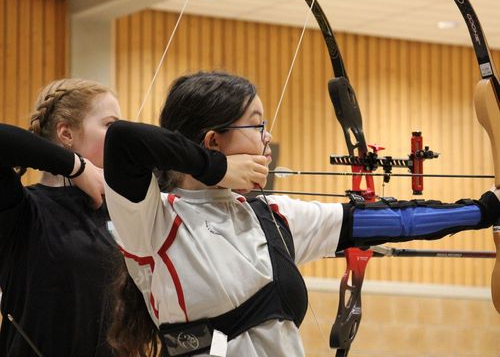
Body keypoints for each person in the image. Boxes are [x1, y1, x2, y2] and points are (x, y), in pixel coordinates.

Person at [103, 71, 500, 357]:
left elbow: (389, 221)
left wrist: (484, 210)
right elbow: (123, 140)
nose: (267, 136)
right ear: (212, 140)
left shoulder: (272, 215)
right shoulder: (155, 222)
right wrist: (217, 168)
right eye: (257, 125)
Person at [0, 78, 121, 357]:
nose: (120, 138)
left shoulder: (119, 210)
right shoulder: (23, 209)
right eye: (111, 126)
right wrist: (76, 167)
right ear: (66, 134)